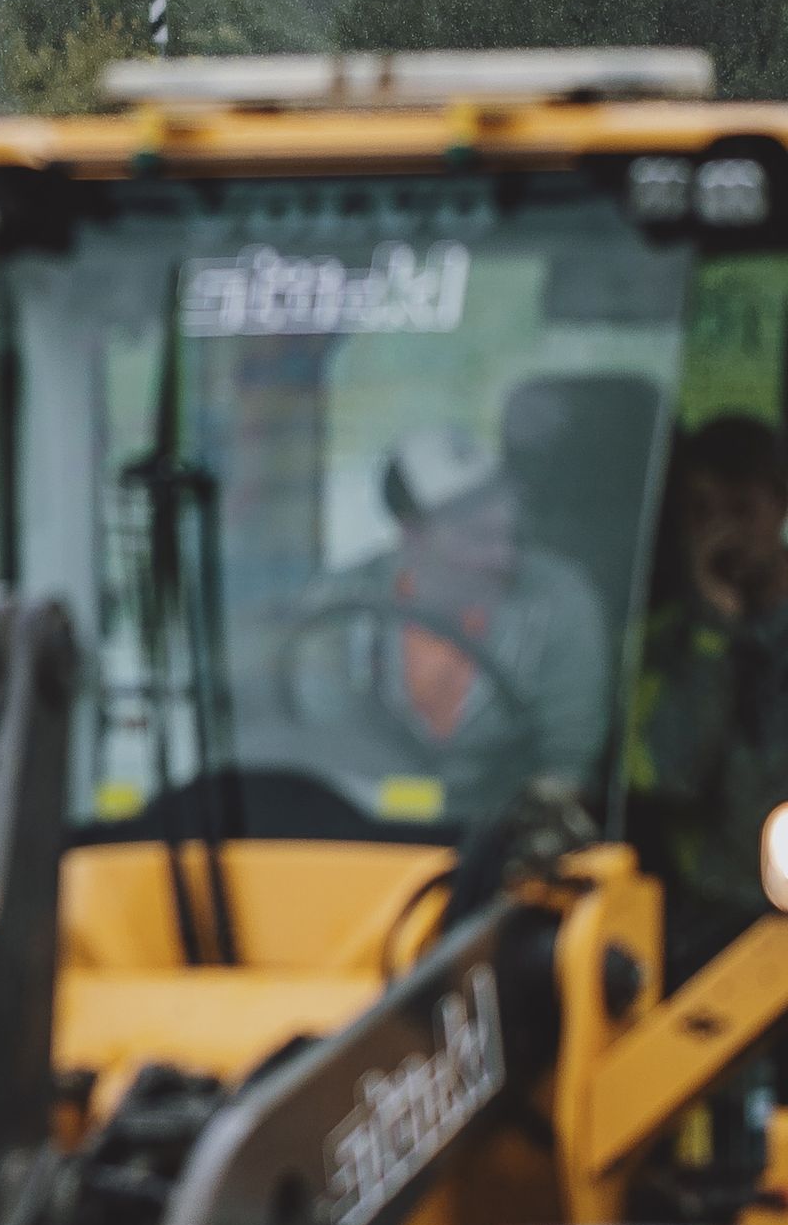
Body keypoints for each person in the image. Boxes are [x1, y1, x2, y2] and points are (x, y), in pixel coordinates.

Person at [264, 423, 612, 825]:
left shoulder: (558, 601)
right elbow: (323, 741)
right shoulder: (341, 607)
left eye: (509, 535)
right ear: (411, 532)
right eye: (478, 538)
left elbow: (569, 762)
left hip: (504, 839)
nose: (502, 558)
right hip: (359, 836)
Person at [633, 412, 788, 976]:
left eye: (743, 511)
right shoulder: (663, 641)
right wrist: (711, 631)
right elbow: (669, 776)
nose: (723, 534)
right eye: (702, 514)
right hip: (701, 924)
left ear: (780, 509)